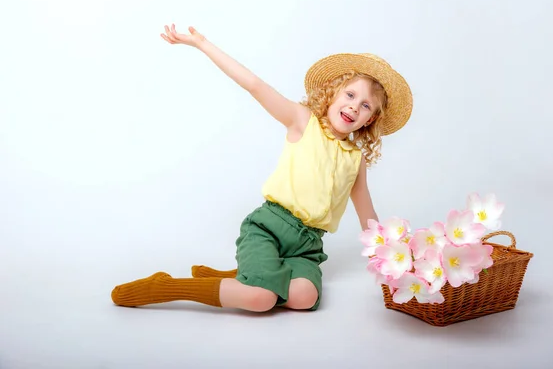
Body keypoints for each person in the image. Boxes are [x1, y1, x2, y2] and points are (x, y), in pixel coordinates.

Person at [110, 24, 413, 312]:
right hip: (269, 228)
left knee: (305, 298)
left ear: (370, 119)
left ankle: (244, 276)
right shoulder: (303, 122)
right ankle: (168, 286)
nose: (353, 107)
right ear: (333, 93)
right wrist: (202, 44)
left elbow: (367, 215)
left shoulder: (355, 158)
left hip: (307, 245)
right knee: (261, 299)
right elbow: (254, 85)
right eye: (350, 95)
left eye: (365, 106)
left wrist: (393, 261)